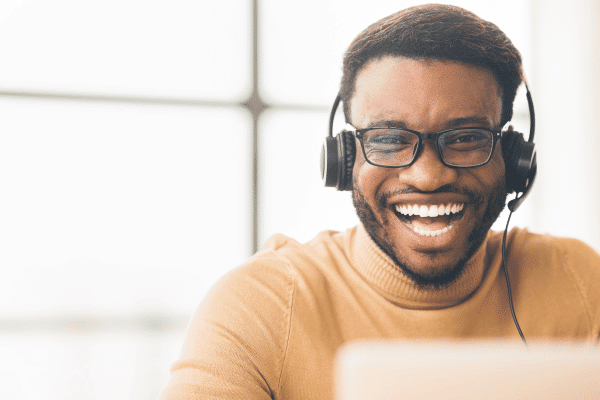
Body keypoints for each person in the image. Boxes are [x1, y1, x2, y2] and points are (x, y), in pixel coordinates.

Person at [160, 4, 600, 400]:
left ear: (512, 159)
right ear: (344, 158)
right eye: (388, 139)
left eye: (466, 138)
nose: (428, 176)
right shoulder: (261, 305)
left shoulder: (579, 282)